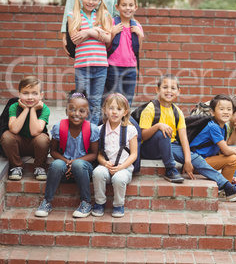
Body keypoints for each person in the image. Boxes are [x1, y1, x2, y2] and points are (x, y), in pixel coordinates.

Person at [35, 90, 99, 218]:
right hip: (64, 169)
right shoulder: (59, 127)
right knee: (57, 164)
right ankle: (47, 201)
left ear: (87, 113)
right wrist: (67, 162)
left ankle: (86, 202)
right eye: (72, 109)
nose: (76, 114)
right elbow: (53, 151)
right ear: (66, 111)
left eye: (81, 111)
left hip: (84, 171)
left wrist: (74, 163)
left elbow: (94, 154)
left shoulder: (92, 129)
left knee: (79, 165)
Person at [183, 94, 236, 201]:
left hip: (205, 159)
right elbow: (225, 150)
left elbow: (225, 146)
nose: (226, 112)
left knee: (234, 155)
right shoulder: (213, 126)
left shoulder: (222, 126)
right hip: (197, 163)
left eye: (229, 109)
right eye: (222, 109)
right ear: (212, 112)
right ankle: (226, 190)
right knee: (232, 159)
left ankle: (227, 186)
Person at [68, 0, 112, 125]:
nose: (91, 2)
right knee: (82, 101)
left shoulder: (103, 14)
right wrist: (94, 31)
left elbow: (108, 38)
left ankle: (92, 132)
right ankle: (82, 131)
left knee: (96, 102)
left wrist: (87, 32)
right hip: (82, 66)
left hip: (100, 66)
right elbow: (75, 39)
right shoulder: (73, 15)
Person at [139, 74, 194, 183]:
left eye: (173, 88)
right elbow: (143, 135)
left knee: (196, 160)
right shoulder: (150, 108)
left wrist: (188, 161)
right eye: (165, 87)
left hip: (169, 147)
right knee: (162, 132)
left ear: (178, 91)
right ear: (157, 90)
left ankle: (225, 184)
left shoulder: (177, 112)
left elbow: (184, 139)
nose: (169, 91)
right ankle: (170, 169)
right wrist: (158, 126)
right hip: (148, 149)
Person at [92, 93, 138, 218]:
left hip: (124, 168)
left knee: (118, 178)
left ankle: (118, 205)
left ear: (125, 112)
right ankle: (99, 202)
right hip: (106, 167)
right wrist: (104, 163)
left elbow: (134, 154)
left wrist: (121, 167)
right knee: (97, 173)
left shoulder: (130, 130)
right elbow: (98, 154)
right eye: (111, 108)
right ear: (105, 110)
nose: (114, 112)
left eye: (118, 109)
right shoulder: (99, 129)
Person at [0, 76, 50, 181]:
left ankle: (39, 166)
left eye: (34, 93)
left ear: (41, 95)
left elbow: (35, 131)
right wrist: (26, 109)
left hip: (36, 146)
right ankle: (17, 166)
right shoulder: (14, 107)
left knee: (43, 138)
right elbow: (14, 130)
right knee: (7, 136)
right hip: (18, 144)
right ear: (18, 94)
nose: (30, 97)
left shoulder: (44, 109)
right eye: (25, 93)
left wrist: (33, 110)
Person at [105, 0, 143, 106]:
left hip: (131, 68)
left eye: (131, 5)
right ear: (117, 7)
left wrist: (140, 36)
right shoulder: (112, 23)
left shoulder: (137, 26)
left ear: (135, 7)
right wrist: (112, 33)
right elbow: (106, 47)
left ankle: (125, 122)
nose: (128, 8)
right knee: (116, 100)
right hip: (113, 67)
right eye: (124, 5)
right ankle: (115, 123)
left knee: (127, 101)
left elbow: (137, 50)